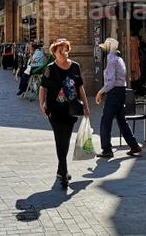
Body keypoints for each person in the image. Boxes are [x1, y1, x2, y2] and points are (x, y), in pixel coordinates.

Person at [39, 38, 90, 189]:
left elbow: (80, 88)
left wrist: (86, 106)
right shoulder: (50, 69)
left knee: (66, 140)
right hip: (54, 110)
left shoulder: (75, 67)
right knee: (58, 139)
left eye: (66, 49)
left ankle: (61, 169)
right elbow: (43, 88)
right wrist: (41, 104)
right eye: (60, 50)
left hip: (71, 109)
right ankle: (64, 173)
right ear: (54, 53)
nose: (64, 52)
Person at [95, 38, 142, 158]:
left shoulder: (111, 60)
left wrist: (100, 92)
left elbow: (110, 82)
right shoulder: (120, 59)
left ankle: (107, 149)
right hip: (121, 92)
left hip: (114, 93)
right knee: (121, 120)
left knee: (106, 121)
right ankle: (134, 145)